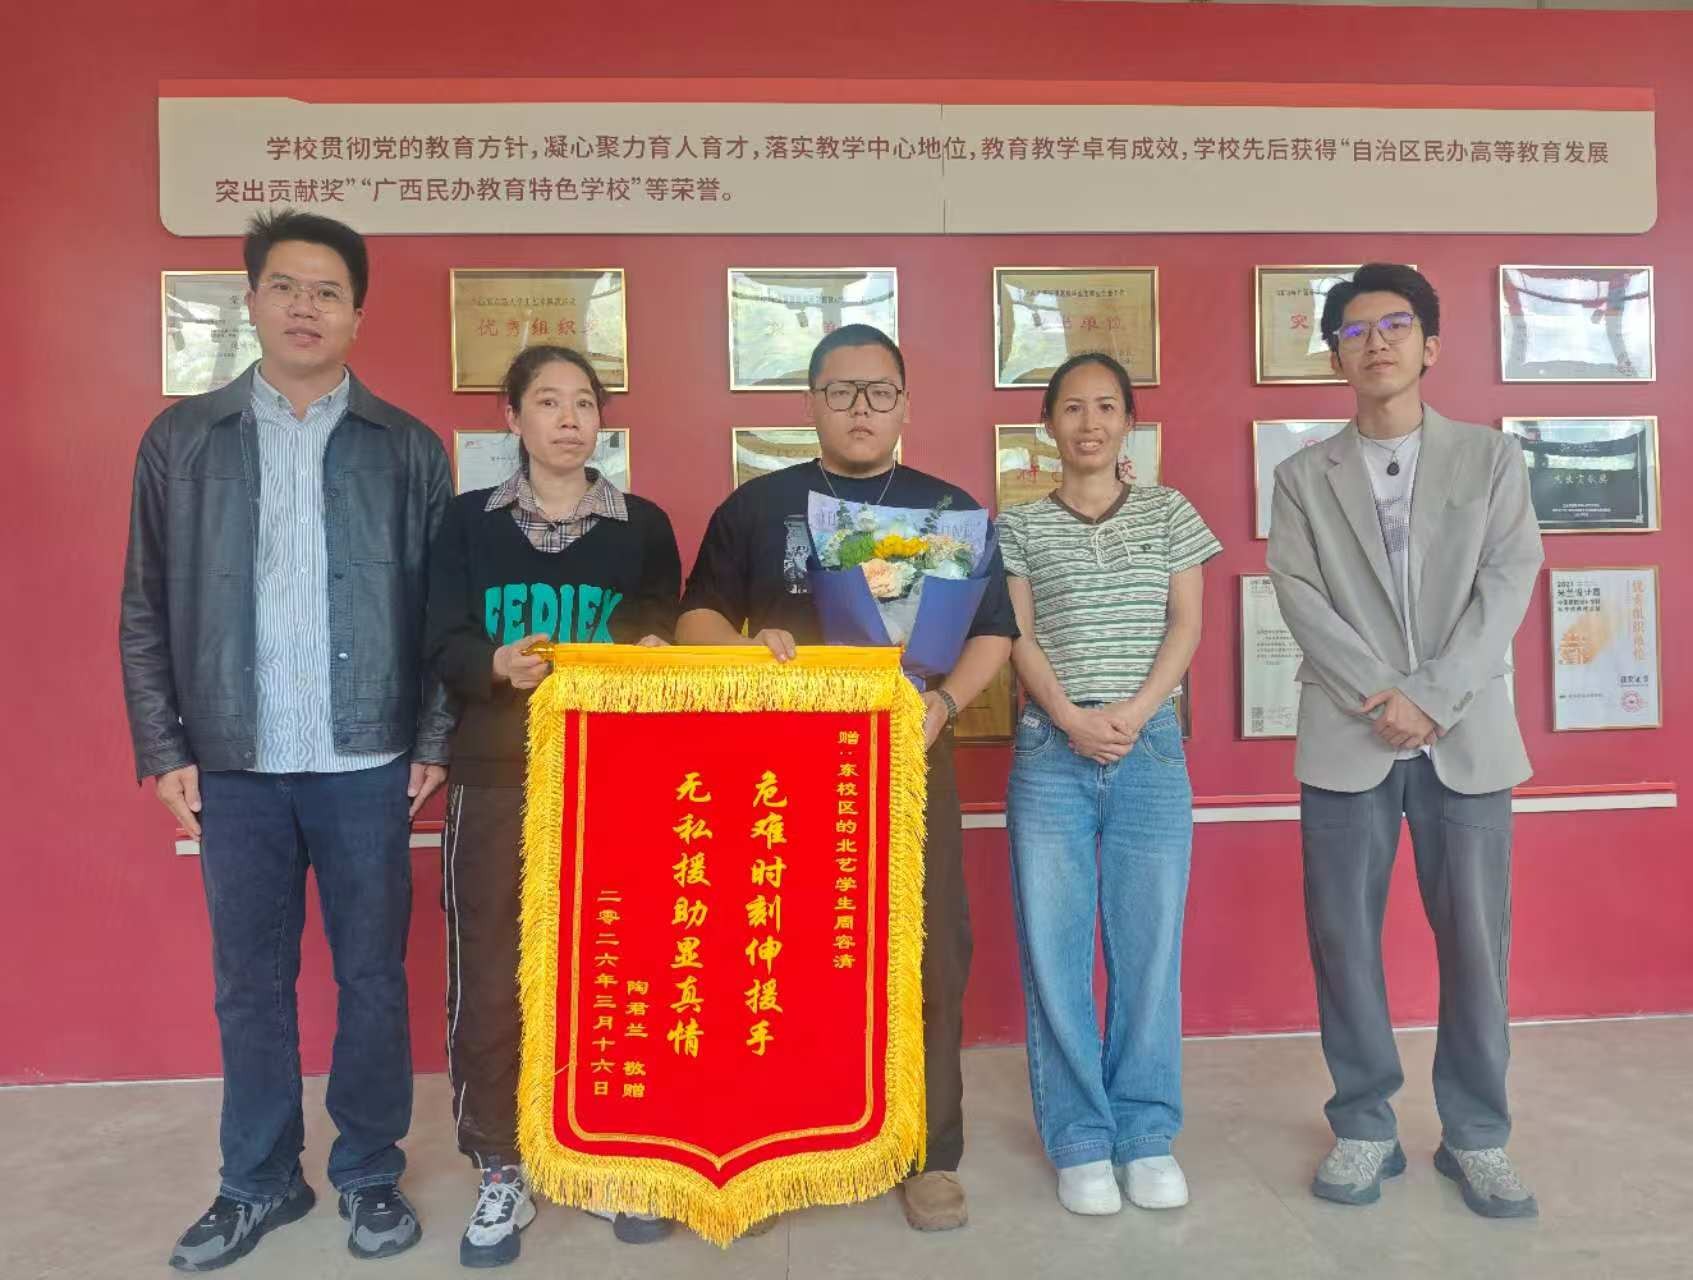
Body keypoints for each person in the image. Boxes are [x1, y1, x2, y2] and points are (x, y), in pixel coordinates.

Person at [120, 210, 452, 1270]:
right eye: (286, 286)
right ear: (253, 300)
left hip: (368, 758)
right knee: (248, 982)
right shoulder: (182, 439)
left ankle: (368, 1171)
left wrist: (433, 735)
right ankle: (259, 1179)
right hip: (235, 760)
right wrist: (163, 744)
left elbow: (443, 611)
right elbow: (143, 604)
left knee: (373, 977)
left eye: (327, 291)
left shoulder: (407, 447)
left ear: (358, 313)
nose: (306, 307)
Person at [676, 323, 1015, 1232]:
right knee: (776, 953)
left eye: (878, 392)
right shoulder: (758, 507)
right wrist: (745, 648)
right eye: (840, 391)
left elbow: (993, 630)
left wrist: (944, 705)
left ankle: (927, 1154)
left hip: (908, 762)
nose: (860, 409)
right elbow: (694, 618)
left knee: (928, 951)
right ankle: (774, 1152)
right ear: (811, 403)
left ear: (903, 404)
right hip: (782, 774)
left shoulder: (948, 510)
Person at [1267, 263, 1544, 1219]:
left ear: (1429, 345)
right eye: (1353, 331)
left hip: (1465, 734)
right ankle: (1362, 1125)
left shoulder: (1491, 459)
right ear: (1333, 357)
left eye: (1393, 326)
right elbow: (1299, 598)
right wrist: (1381, 697)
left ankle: (1477, 1135)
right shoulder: (1301, 477)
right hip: (1346, 735)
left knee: (1475, 943)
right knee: (1342, 938)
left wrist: (1429, 698)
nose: (1374, 342)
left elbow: (1506, 581)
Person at [424, 345, 682, 1266]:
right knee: (493, 971)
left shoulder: (644, 527)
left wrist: (650, 655)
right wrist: (493, 664)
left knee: (609, 967)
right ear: (513, 418)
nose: (568, 419)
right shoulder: (465, 522)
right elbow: (440, 638)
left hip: (614, 778)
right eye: (547, 401)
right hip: (496, 773)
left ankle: (606, 1152)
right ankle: (500, 1164)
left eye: (583, 403)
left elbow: (662, 632)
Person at [998, 353, 1219, 1217]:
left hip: (1149, 748)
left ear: (1128, 420)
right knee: (1054, 954)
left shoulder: (1170, 512)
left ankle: (1146, 1133)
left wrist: (1132, 711)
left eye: (1104, 407)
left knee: (1148, 950)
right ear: (1046, 425)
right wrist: (1069, 716)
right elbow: (1016, 636)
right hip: (1050, 753)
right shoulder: (1018, 526)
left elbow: (1186, 624)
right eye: (1071, 409)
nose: (1088, 424)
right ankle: (1081, 1140)